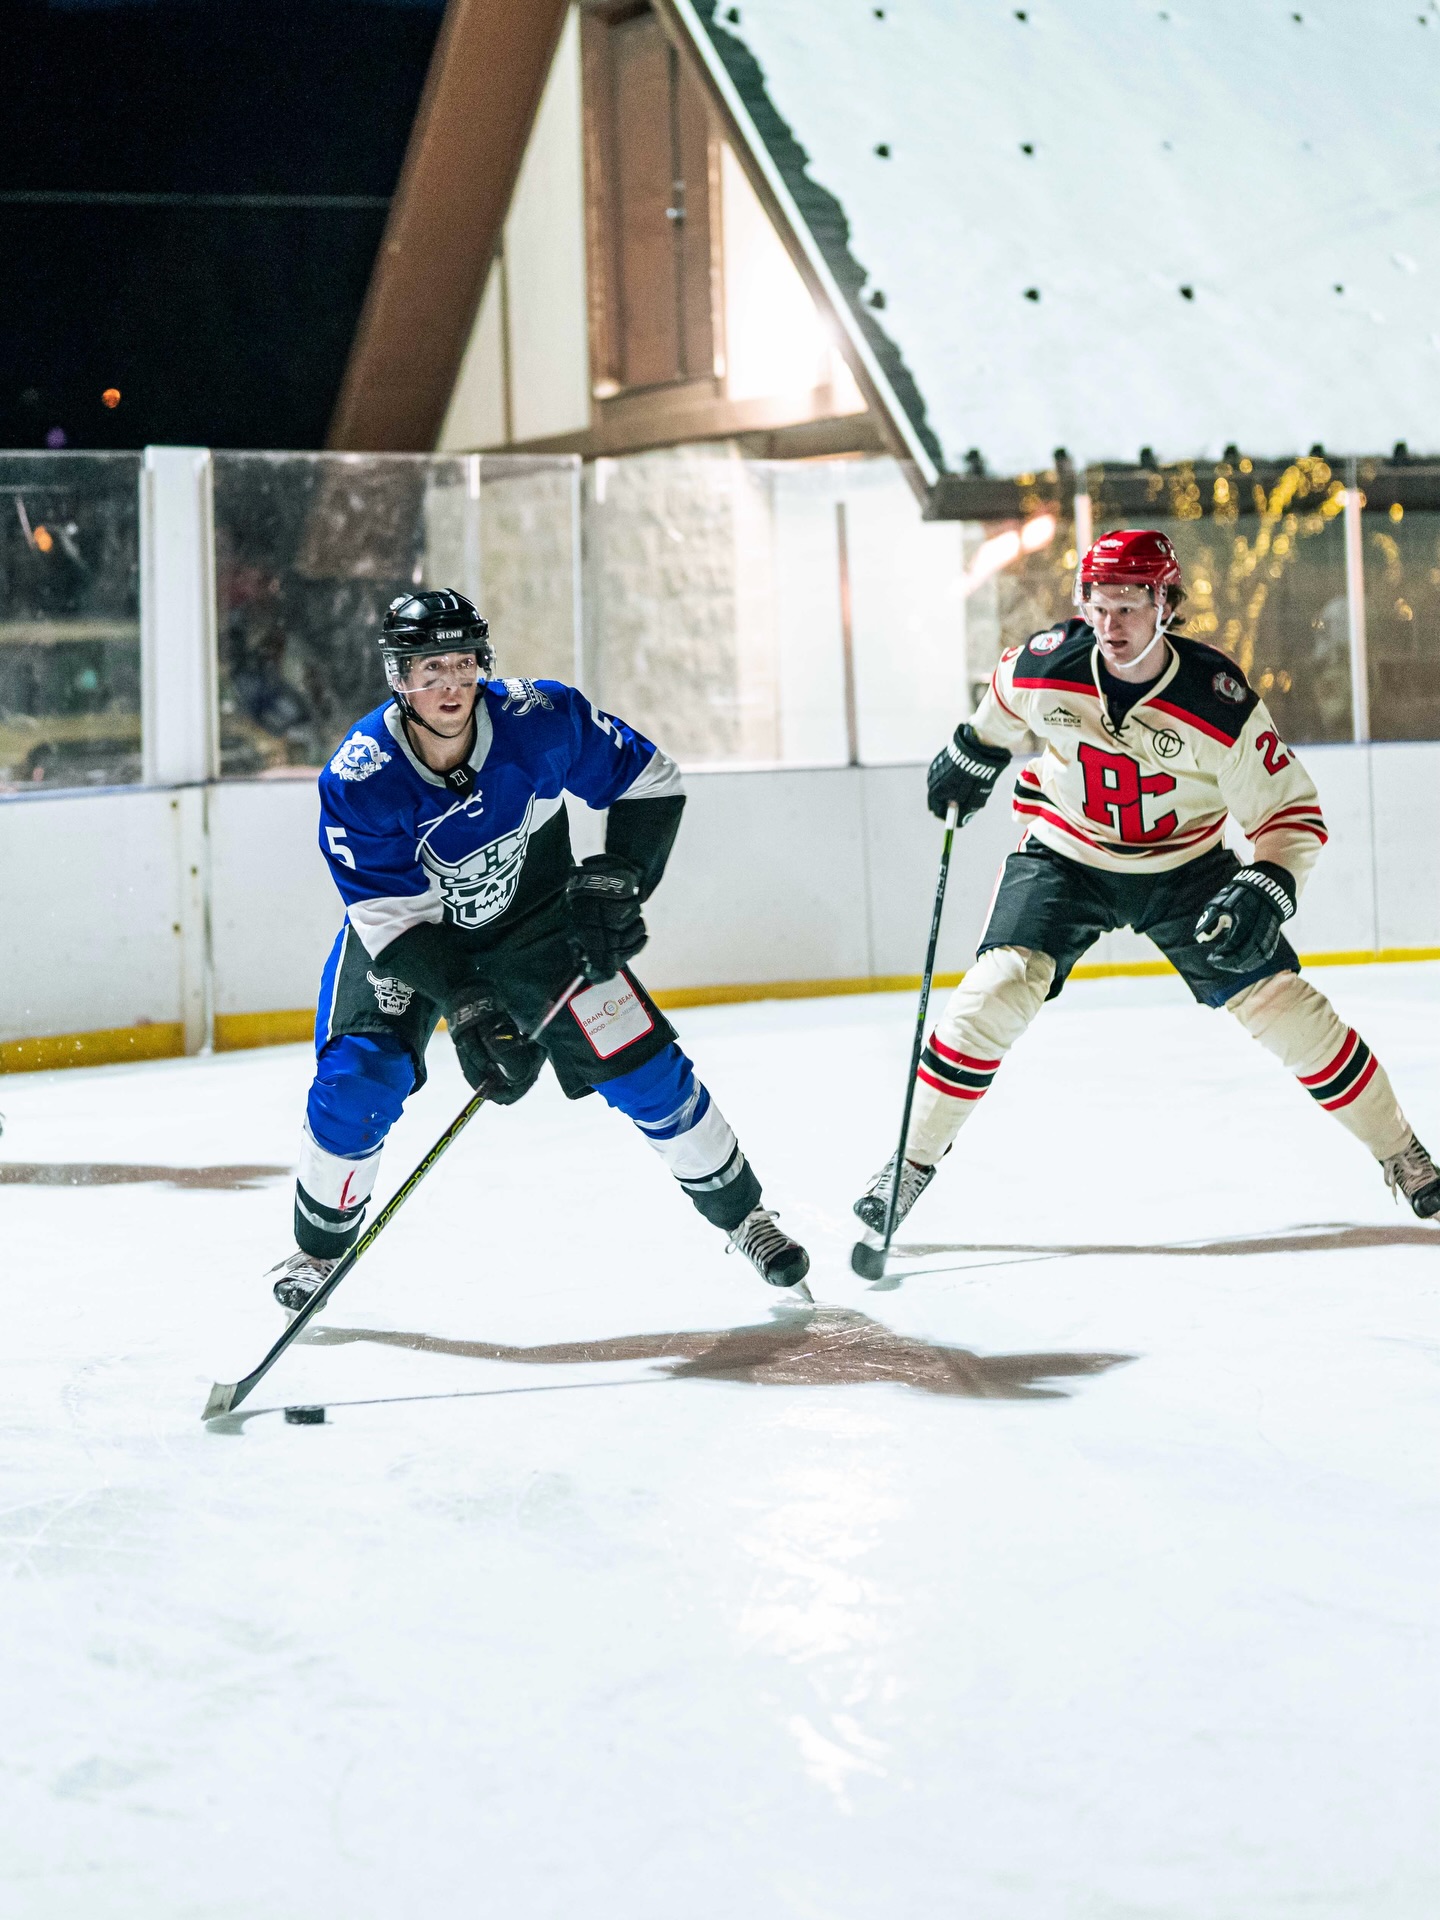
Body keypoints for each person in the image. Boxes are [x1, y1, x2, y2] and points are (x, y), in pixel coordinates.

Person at [853, 528, 1440, 1248]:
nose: (1111, 625)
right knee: (999, 986)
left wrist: (1269, 882)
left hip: (1185, 869)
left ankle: (1402, 1154)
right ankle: (907, 1168)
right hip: (1065, 856)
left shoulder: (1217, 702)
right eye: (1098, 605)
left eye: (1130, 605)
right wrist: (972, 748)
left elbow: (1292, 815)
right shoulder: (1045, 665)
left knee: (1284, 1005)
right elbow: (1003, 704)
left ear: (1167, 603)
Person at [268, 589, 810, 1311]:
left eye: (462, 664)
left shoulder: (539, 719)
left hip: (538, 927)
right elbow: (388, 918)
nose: (449, 685)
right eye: (429, 670)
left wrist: (621, 877)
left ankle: (746, 1217)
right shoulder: (361, 777)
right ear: (398, 678)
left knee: (646, 1071)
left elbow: (651, 781)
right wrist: (466, 1001)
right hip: (411, 942)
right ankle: (315, 1252)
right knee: (360, 1078)